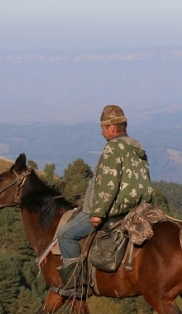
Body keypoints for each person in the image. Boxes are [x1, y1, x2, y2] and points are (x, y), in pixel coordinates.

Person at [55, 105, 154, 297]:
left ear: (112, 127)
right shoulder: (135, 144)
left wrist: (98, 213)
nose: (101, 132)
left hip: (116, 208)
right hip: (141, 205)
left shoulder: (113, 148)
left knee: (65, 234)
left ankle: (76, 285)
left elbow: (108, 184)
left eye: (103, 128)